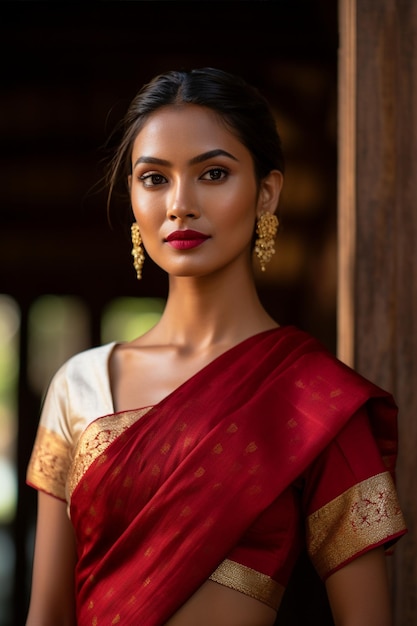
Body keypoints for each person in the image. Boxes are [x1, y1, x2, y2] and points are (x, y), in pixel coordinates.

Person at [26, 67, 406, 626]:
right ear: (132, 196)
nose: (180, 203)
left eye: (213, 173)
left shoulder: (316, 398)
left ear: (266, 192)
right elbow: (47, 613)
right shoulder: (78, 386)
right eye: (154, 178)